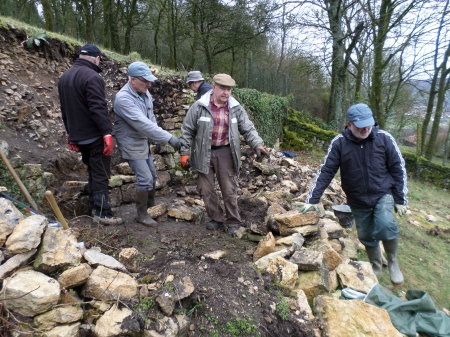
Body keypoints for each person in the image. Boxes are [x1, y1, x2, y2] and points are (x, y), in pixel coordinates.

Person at [300, 103, 408, 286]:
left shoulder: (384, 139)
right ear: (349, 125)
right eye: (361, 126)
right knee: (366, 234)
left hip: (383, 193)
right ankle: (375, 266)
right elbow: (326, 171)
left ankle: (392, 261)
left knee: (385, 224)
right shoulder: (339, 143)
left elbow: (398, 169)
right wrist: (312, 198)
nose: (366, 129)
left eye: (369, 124)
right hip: (357, 199)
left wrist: (400, 198)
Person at [179, 73, 269, 235]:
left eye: (229, 89)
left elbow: (248, 128)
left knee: (229, 189)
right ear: (213, 87)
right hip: (203, 152)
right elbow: (187, 130)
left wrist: (257, 144)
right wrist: (184, 153)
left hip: (226, 152)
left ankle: (233, 221)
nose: (226, 92)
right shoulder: (199, 106)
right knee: (206, 189)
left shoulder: (235, 108)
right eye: (222, 88)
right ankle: (216, 219)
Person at [58, 44, 123, 226]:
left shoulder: (65, 77)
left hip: (79, 135)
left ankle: (96, 206)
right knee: (101, 171)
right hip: (94, 135)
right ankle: (103, 213)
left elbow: (64, 110)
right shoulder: (92, 77)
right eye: (100, 59)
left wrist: (70, 134)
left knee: (93, 170)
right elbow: (97, 107)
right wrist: (106, 132)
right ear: (96, 58)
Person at [114, 62, 181, 228]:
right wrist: (170, 139)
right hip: (131, 143)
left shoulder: (145, 93)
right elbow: (142, 123)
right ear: (133, 80)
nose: (149, 84)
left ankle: (150, 208)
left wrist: (158, 139)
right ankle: (141, 215)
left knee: (152, 176)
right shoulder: (123, 99)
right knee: (145, 179)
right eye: (145, 81)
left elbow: (151, 119)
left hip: (143, 141)